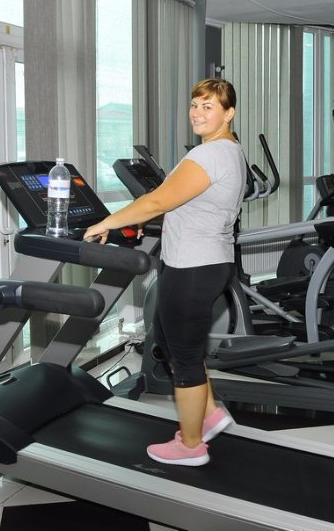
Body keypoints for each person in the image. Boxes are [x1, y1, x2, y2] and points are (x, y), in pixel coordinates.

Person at [84, 78, 246, 466]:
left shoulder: (209, 154)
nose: (197, 113)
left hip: (193, 266)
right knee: (176, 346)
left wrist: (107, 222)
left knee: (184, 356)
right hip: (207, 260)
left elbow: (157, 200)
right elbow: (183, 202)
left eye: (208, 106)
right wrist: (142, 217)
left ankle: (191, 446)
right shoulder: (229, 150)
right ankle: (209, 415)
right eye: (195, 105)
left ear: (229, 113)